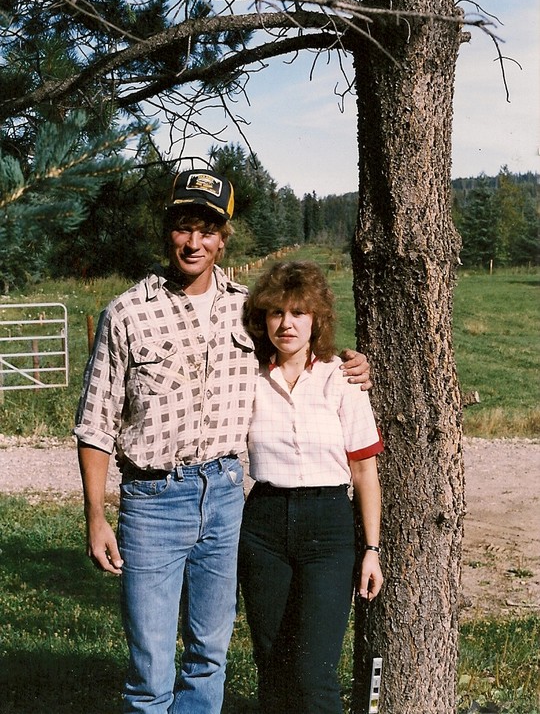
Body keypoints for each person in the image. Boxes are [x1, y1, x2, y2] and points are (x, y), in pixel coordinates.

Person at [74, 168, 371, 714]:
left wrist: (351, 363)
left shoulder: (246, 310)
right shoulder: (127, 313)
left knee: (209, 656)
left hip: (226, 496)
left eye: (207, 231)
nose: (195, 242)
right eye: (184, 228)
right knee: (150, 668)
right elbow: (95, 424)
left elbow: (299, 345)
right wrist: (96, 515)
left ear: (223, 239)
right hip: (153, 502)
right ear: (167, 232)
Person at [239, 260, 384, 714]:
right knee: (272, 664)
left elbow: (365, 471)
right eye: (276, 312)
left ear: (315, 319)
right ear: (263, 320)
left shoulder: (342, 377)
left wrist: (372, 549)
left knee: (314, 672)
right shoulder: (247, 378)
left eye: (298, 312)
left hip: (327, 528)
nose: (287, 324)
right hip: (263, 525)